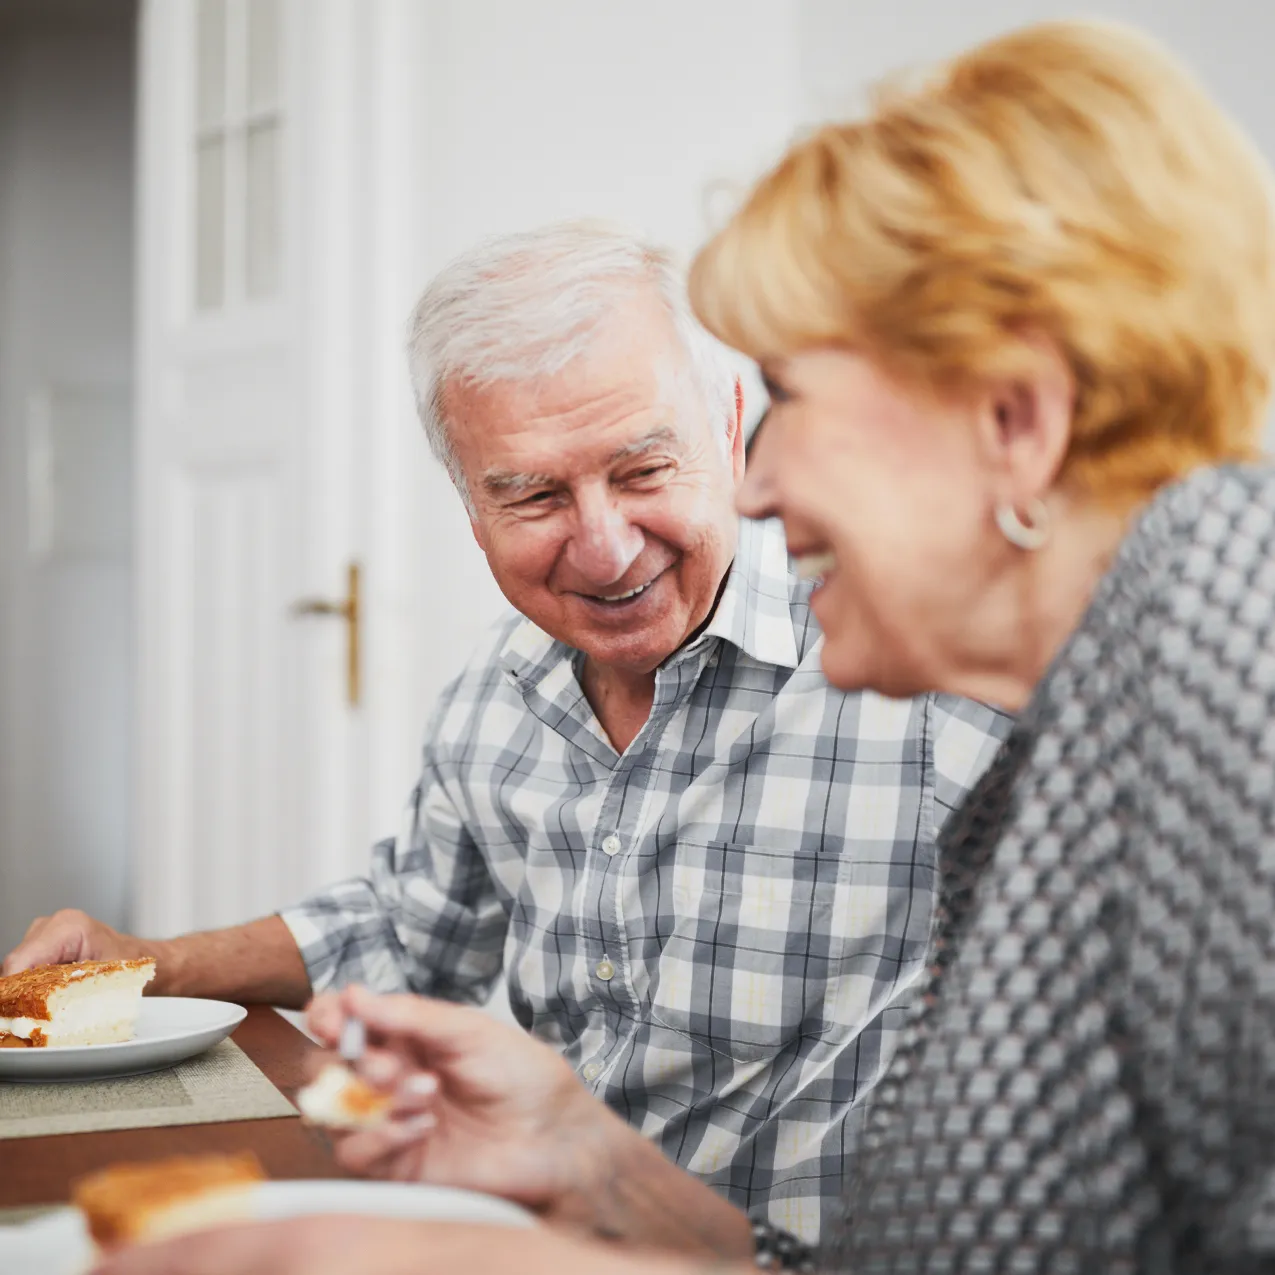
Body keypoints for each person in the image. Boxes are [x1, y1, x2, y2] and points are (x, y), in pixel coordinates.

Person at [91, 18, 1275, 1275]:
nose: (755, 487)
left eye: (793, 397)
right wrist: (592, 1164)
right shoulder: (1087, 729)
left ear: (1015, 420)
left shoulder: (1223, 649)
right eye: (533, 495)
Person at [10, 222, 1009, 1238]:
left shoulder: (922, 659)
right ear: (469, 503)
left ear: (730, 426)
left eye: (643, 470)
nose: (604, 549)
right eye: (532, 494)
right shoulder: (500, 687)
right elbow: (408, 926)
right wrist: (141, 966)